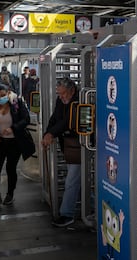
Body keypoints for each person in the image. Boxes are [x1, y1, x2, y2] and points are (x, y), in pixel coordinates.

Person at [41, 77, 81, 227]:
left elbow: (67, 121)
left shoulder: (79, 100)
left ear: (71, 91)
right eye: (58, 94)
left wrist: (52, 134)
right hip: (68, 146)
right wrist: (47, 133)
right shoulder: (61, 100)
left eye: (63, 93)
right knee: (78, 181)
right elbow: (55, 118)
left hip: (81, 146)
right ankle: (94, 206)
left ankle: (67, 214)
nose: (60, 97)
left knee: (72, 180)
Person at [0, 84, 31, 207]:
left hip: (14, 142)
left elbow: (26, 119)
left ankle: (10, 194)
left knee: (11, 168)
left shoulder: (16, 103)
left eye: (3, 95)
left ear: (8, 93)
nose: (0, 98)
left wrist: (13, 129)